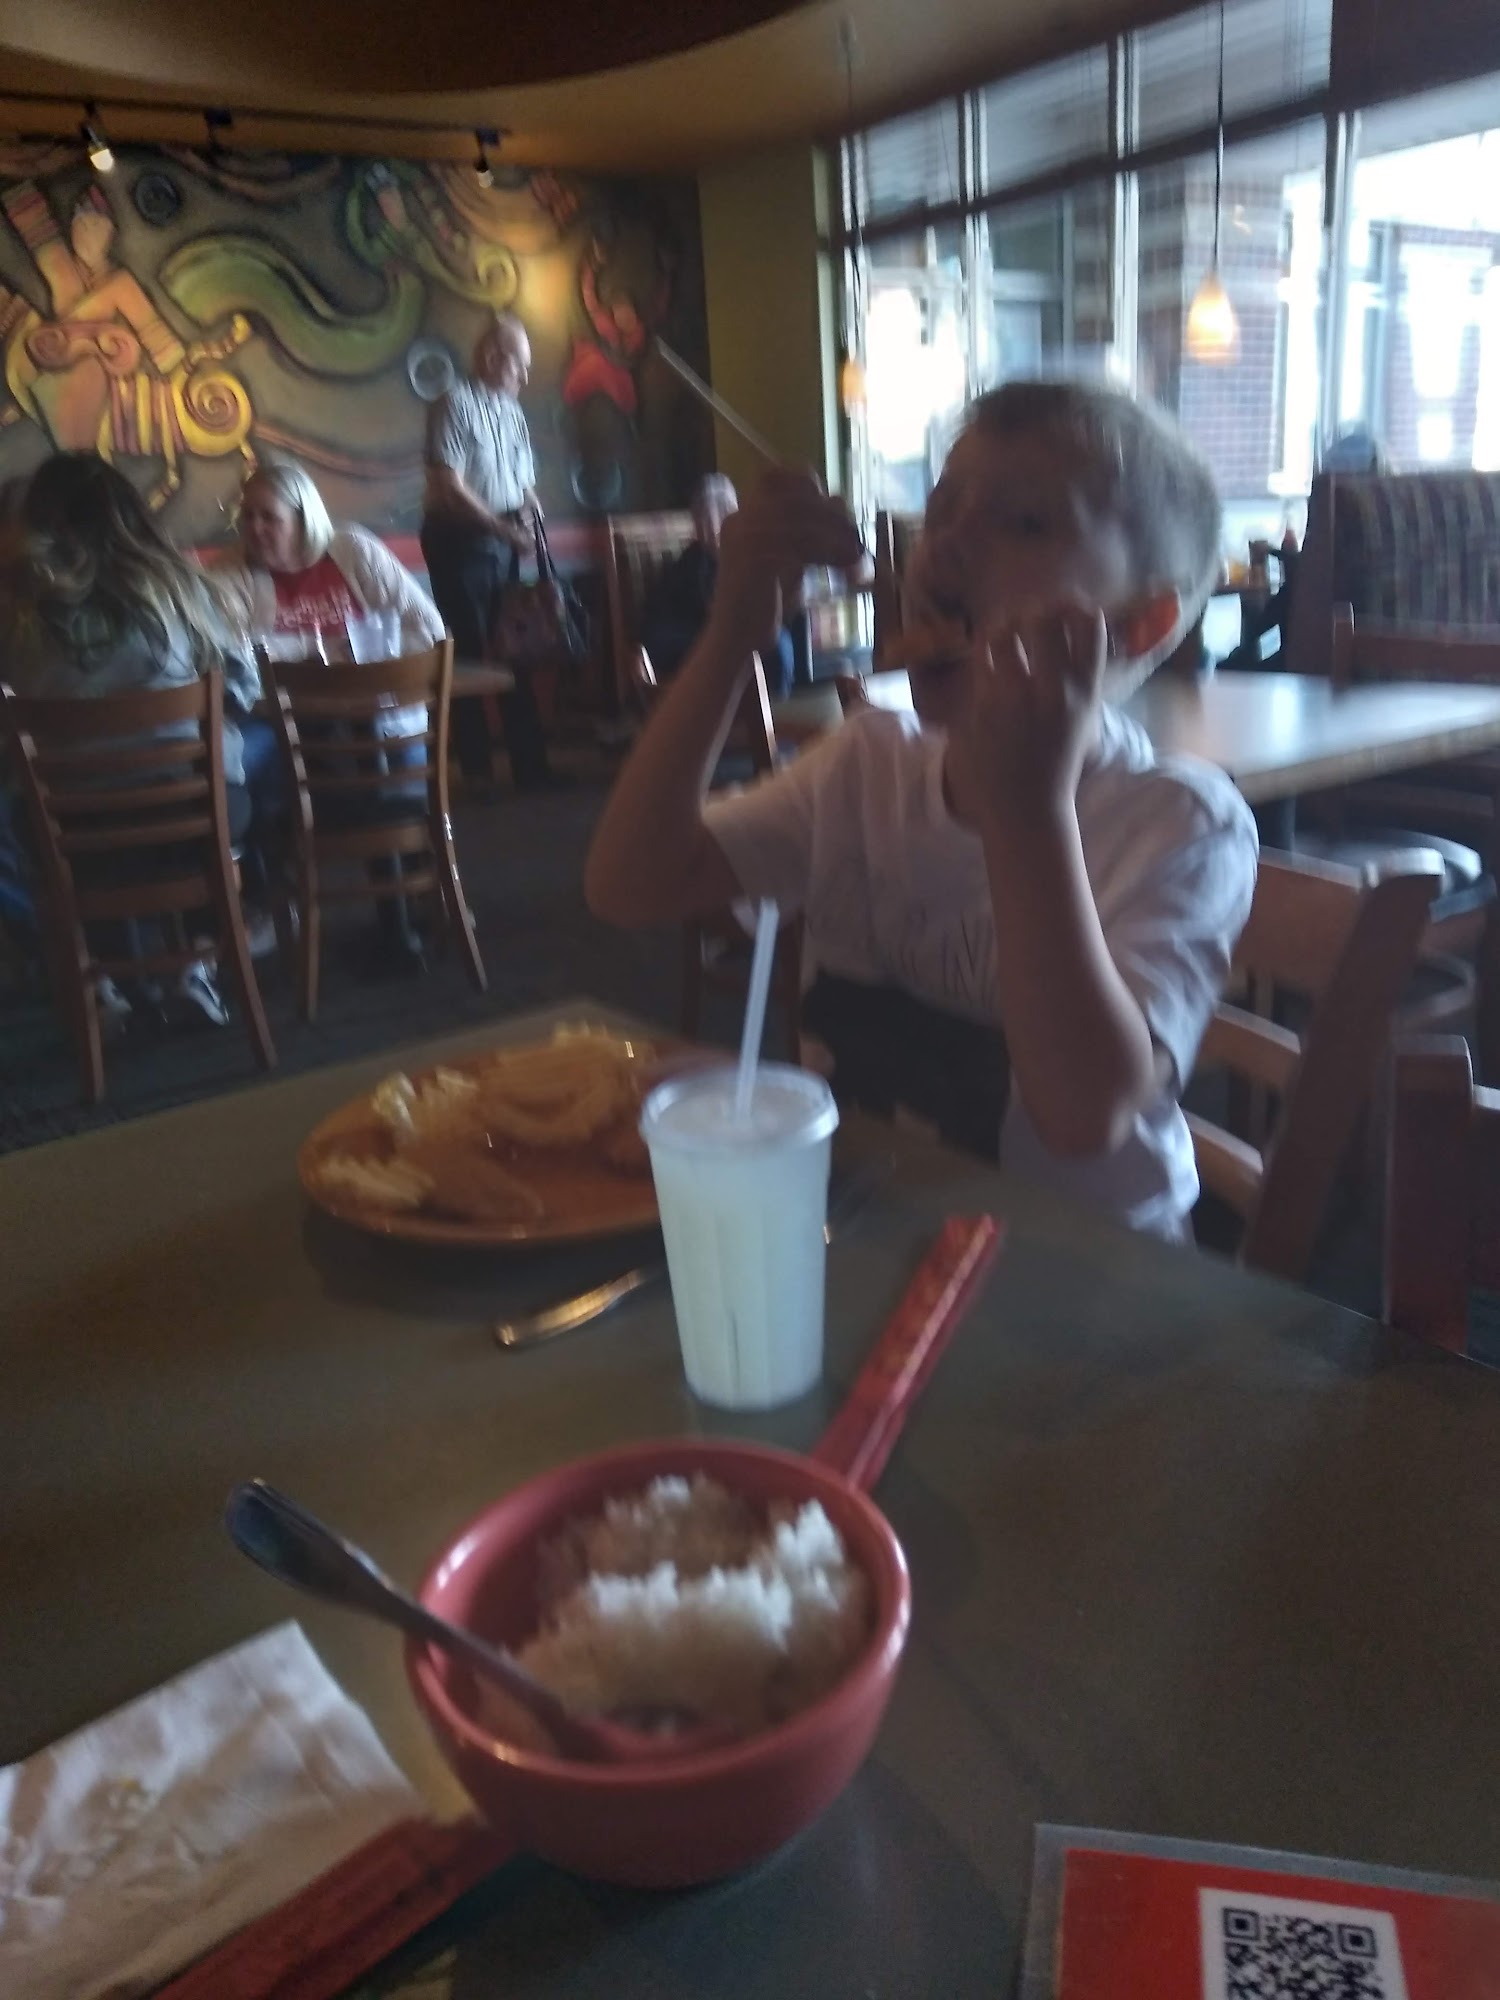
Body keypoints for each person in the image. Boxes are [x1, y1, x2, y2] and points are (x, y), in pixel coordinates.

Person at [585, 380, 1260, 1243]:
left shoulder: (1179, 826)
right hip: (873, 1236)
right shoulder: (869, 766)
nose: (948, 542)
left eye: (1024, 523)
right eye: (942, 509)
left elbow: (1083, 1116)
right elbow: (628, 885)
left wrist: (1027, 806)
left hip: (1086, 1279)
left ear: (1138, 624)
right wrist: (730, 636)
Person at [3, 451, 266, 1027]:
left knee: (29, 818)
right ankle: (192, 964)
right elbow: (242, 688)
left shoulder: (17, 613)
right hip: (193, 824)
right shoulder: (184, 589)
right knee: (244, 777)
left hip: (78, 838)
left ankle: (106, 976)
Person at [216, 458, 446, 970]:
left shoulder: (354, 551)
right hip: (280, 722)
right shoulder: (233, 572)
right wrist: (327, 651)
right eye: (247, 516)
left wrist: (309, 654)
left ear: (303, 517)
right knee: (235, 767)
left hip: (377, 715)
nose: (254, 528)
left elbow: (428, 630)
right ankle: (269, 899)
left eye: (269, 517)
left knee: (396, 771)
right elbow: (232, 657)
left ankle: (415, 900)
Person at [419, 310, 559, 788]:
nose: (525, 377)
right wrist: (503, 530)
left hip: (504, 545)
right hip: (458, 543)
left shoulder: (514, 412)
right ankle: (477, 773)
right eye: (520, 365)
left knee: (513, 651)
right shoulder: (453, 404)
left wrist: (532, 516)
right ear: (494, 357)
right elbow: (450, 485)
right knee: (472, 654)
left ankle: (530, 769)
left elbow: (524, 483)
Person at [640, 474, 807, 695]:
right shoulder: (690, 565)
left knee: (784, 638)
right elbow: (657, 629)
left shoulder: (749, 553)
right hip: (700, 637)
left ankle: (788, 701)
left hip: (746, 633)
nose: (710, 525)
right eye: (703, 517)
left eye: (722, 511)